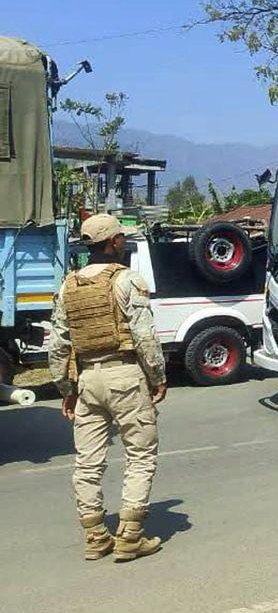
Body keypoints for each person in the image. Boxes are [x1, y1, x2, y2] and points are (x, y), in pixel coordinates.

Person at [48, 213, 168, 562]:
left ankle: (96, 536)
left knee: (87, 462)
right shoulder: (127, 280)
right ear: (113, 242)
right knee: (140, 455)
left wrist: (66, 388)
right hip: (125, 376)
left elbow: (58, 344)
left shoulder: (68, 285)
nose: (124, 242)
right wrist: (157, 377)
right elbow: (144, 336)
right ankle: (130, 536)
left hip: (87, 380)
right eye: (121, 237)